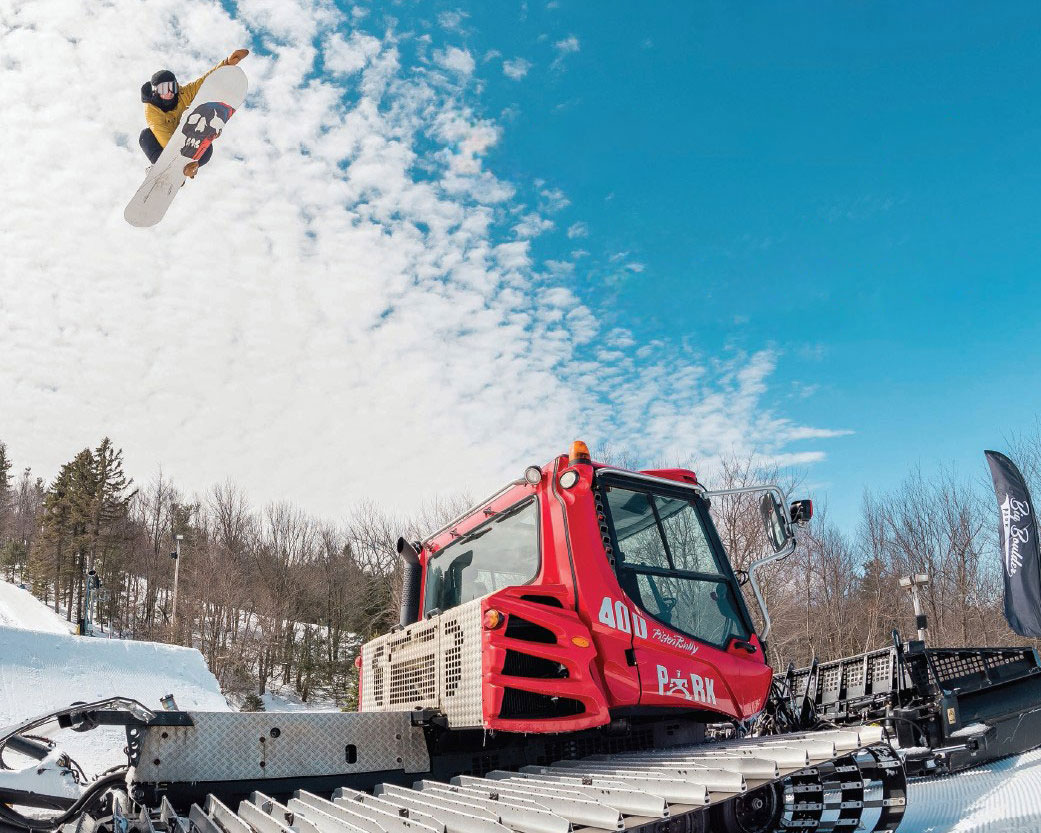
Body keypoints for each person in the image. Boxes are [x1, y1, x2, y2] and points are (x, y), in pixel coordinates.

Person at [139, 49, 249, 179]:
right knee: (145, 135)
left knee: (207, 144)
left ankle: (189, 168)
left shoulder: (183, 94)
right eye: (164, 89)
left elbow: (204, 82)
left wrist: (227, 63)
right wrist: (179, 160)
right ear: (156, 91)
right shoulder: (152, 109)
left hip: (185, 140)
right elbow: (161, 134)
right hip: (166, 145)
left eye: (172, 88)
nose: (169, 92)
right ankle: (163, 167)